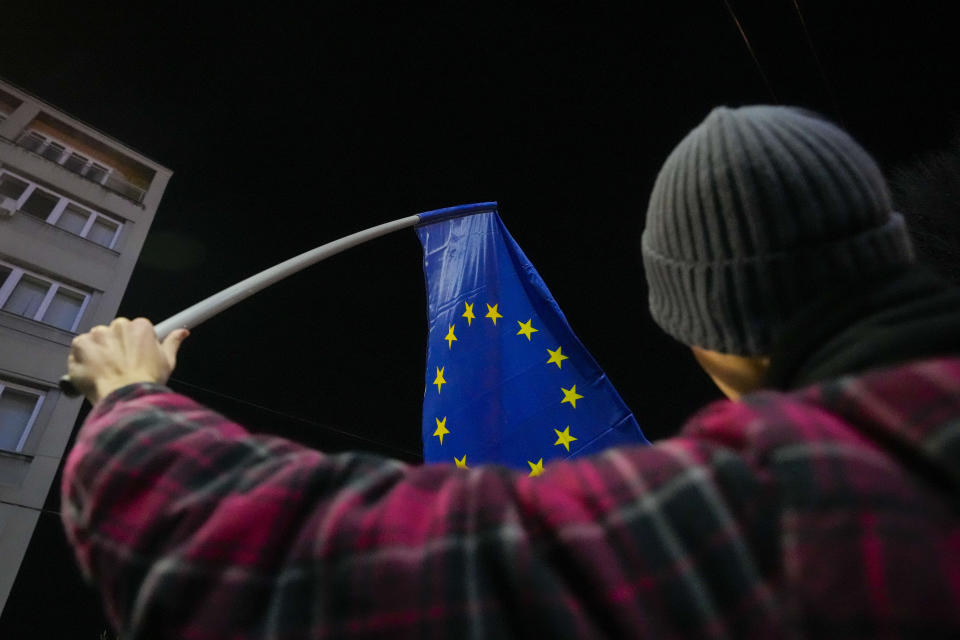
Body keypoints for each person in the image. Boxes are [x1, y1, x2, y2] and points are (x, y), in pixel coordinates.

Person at [63, 106, 960, 638]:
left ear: (714, 334)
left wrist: (132, 397)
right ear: (890, 248)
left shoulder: (769, 510)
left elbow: (297, 565)